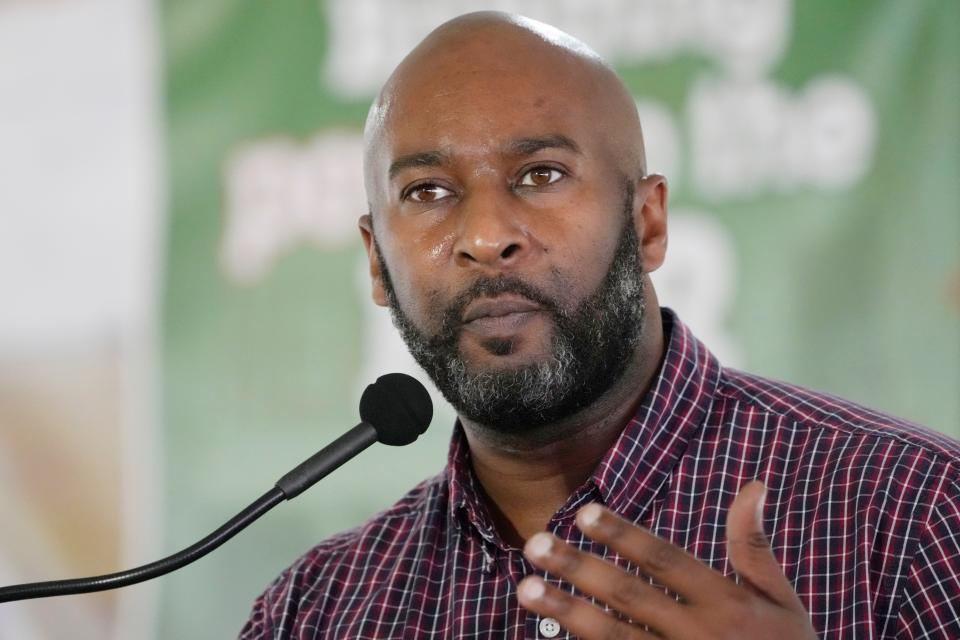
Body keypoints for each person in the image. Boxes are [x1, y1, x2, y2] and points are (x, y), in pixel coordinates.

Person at [240, 12, 960, 639]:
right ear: (375, 261)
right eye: (428, 192)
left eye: (542, 174)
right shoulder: (316, 613)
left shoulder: (914, 520)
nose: (487, 236)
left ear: (648, 223)